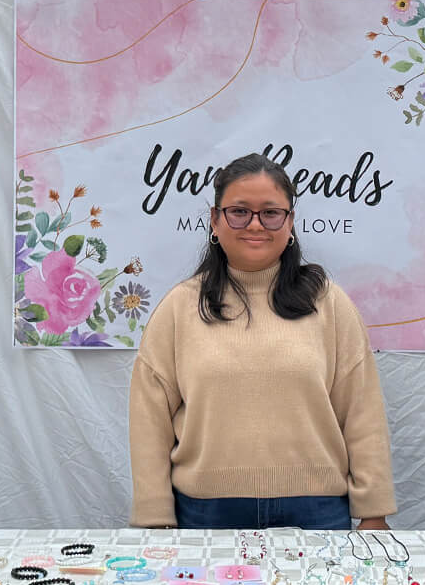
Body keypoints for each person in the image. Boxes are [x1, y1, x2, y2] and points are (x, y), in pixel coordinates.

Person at [129, 153, 396, 531]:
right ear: (215, 221)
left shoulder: (327, 302)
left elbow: (362, 411)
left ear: (290, 223)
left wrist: (373, 510)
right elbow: (149, 420)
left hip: (317, 511)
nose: (255, 225)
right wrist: (154, 515)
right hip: (205, 513)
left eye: (271, 213)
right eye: (239, 211)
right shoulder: (180, 307)